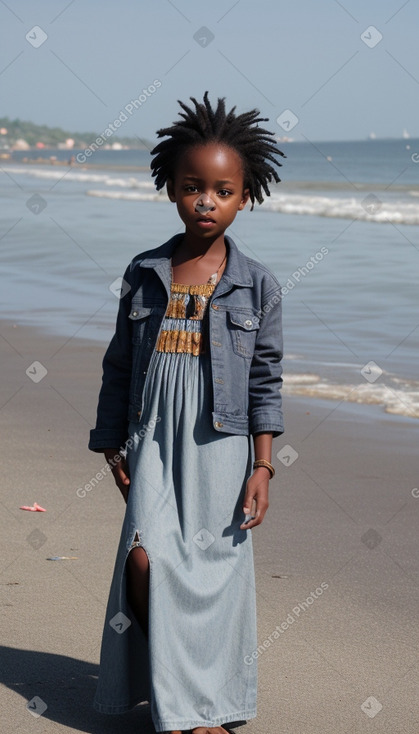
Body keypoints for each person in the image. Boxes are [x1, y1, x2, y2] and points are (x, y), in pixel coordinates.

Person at [88, 91, 285, 734]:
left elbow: (264, 379)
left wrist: (263, 465)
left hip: (220, 439)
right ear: (171, 189)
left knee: (215, 576)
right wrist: (113, 444)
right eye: (192, 187)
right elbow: (120, 364)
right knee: (145, 559)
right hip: (150, 435)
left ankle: (201, 712)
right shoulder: (145, 271)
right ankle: (179, 690)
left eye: (222, 190)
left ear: (245, 196)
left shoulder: (257, 284)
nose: (206, 201)